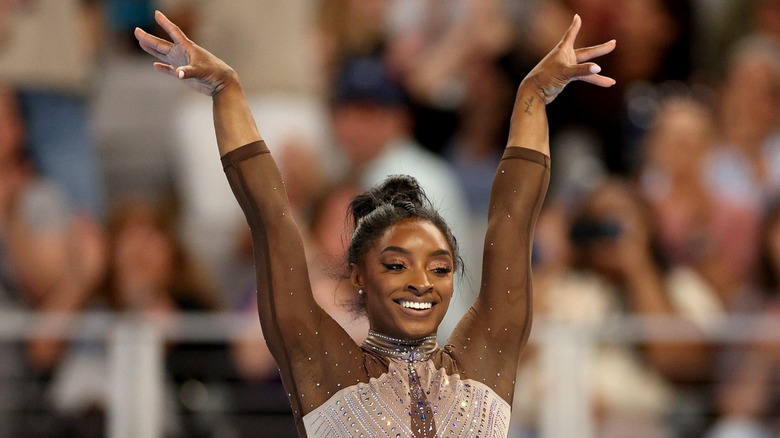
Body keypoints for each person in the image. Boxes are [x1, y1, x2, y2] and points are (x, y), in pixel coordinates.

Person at [135, 10, 615, 436]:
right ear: (359, 275)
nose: (422, 282)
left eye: (441, 267)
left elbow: (513, 223)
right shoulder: (323, 366)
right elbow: (272, 221)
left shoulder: (484, 362)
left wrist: (533, 94)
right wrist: (227, 92)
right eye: (396, 264)